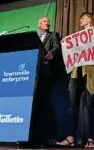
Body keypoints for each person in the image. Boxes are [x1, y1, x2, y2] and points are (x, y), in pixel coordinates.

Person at [56, 12, 94, 148]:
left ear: (90, 19)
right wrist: (65, 44)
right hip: (75, 73)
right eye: (80, 18)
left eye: (83, 17)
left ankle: (91, 139)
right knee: (72, 106)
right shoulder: (77, 38)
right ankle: (70, 138)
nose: (80, 20)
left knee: (91, 106)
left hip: (90, 72)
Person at [31, 16, 63, 147]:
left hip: (46, 73)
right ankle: (31, 137)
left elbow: (57, 46)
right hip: (33, 74)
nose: (48, 23)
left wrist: (51, 53)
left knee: (44, 105)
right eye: (44, 21)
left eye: (48, 21)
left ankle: (43, 138)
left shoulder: (53, 35)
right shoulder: (35, 38)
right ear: (39, 24)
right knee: (34, 105)